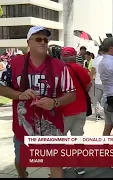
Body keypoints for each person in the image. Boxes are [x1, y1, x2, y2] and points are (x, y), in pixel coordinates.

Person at [0, 26, 76, 178]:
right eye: (39, 39)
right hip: (24, 126)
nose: (43, 42)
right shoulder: (15, 64)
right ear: (28, 42)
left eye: (46, 40)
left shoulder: (59, 66)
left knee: (55, 163)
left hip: (52, 127)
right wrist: (20, 95)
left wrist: (54, 102)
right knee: (21, 160)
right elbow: (1, 87)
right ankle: (23, 175)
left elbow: (72, 94)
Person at [60, 47, 91, 175]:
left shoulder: (59, 71)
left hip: (64, 110)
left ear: (62, 57)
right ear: (75, 56)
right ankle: (80, 166)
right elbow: (88, 85)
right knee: (78, 138)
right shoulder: (81, 69)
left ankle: (61, 165)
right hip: (80, 109)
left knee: (60, 139)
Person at [90, 46, 104, 120]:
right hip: (106, 82)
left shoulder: (95, 60)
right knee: (106, 99)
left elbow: (92, 72)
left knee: (97, 100)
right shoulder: (106, 59)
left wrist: (90, 81)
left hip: (98, 82)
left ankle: (97, 115)